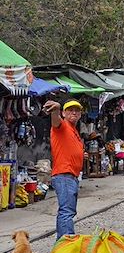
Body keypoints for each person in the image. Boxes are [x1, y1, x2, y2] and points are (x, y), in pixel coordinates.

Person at [43, 99, 85, 239]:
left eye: (77, 110)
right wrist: (55, 109)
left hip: (71, 176)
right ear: (64, 113)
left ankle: (63, 243)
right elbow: (55, 120)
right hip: (64, 175)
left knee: (68, 211)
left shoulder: (73, 130)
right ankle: (67, 243)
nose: (74, 112)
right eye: (70, 110)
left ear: (80, 114)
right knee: (66, 211)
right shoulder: (62, 125)